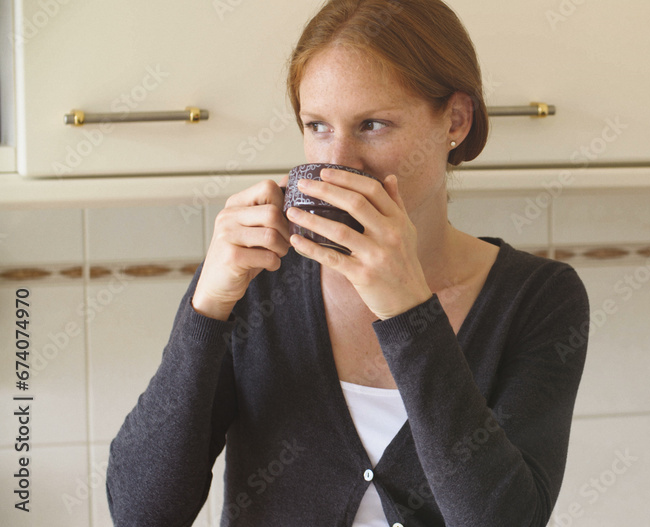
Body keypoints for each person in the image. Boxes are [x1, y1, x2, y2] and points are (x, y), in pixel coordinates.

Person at [105, 0, 589, 525]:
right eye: (317, 125)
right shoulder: (259, 281)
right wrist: (206, 311)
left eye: (373, 125)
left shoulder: (539, 298)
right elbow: (141, 513)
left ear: (455, 119)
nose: (337, 163)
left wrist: (408, 313)